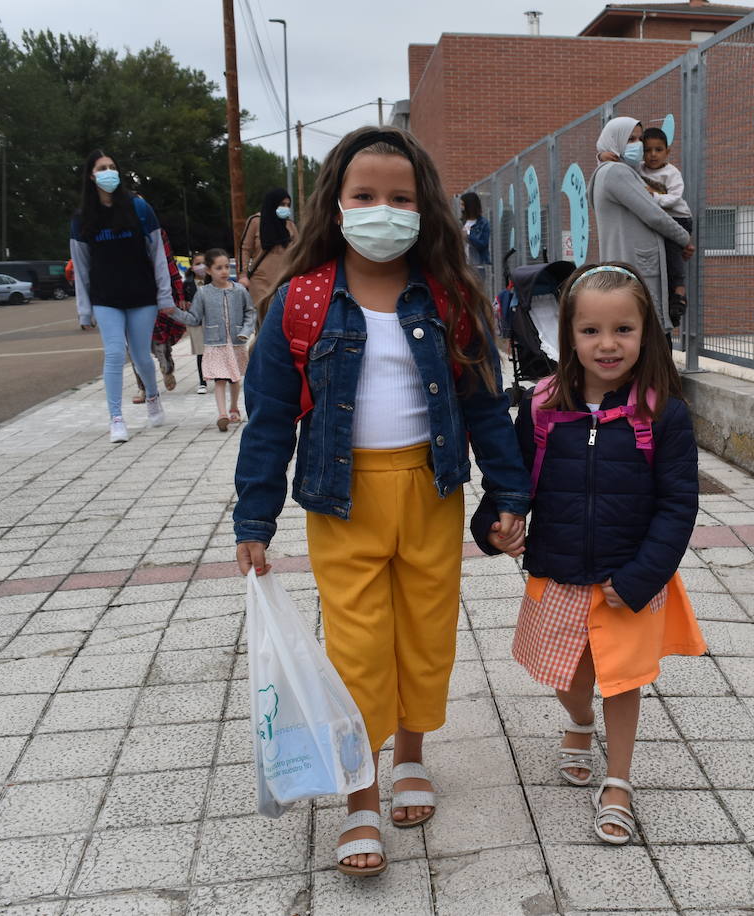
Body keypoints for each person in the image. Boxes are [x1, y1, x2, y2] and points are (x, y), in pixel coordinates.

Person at [231, 126, 530, 877]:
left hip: (431, 491)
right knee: (358, 646)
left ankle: (412, 756)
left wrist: (509, 490)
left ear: (424, 210)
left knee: (426, 633)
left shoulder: (452, 299)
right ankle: (360, 791)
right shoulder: (301, 301)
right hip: (342, 501)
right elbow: (268, 418)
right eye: (365, 196)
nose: (383, 211)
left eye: (401, 198)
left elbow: (485, 405)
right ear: (335, 206)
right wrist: (254, 517)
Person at [472, 262, 703, 846]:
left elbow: (678, 505)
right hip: (559, 570)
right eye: (591, 331)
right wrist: (493, 525)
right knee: (569, 676)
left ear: (646, 333)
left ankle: (618, 782)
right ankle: (578, 721)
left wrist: (645, 575)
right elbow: (511, 482)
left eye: (623, 329)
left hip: (629, 577)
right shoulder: (542, 407)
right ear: (568, 336)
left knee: (622, 680)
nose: (607, 345)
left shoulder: (664, 413)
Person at [69, 150, 171, 444]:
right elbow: (81, 267)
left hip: (142, 295)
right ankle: (116, 418)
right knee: (114, 353)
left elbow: (158, 254)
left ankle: (152, 396)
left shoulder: (139, 208)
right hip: (105, 297)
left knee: (141, 356)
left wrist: (165, 296)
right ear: (91, 176)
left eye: (112, 166)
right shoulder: (81, 218)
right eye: (102, 168)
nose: (108, 172)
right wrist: (84, 310)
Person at [591, 117, 693, 337]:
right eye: (630, 139)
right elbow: (655, 216)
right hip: (638, 268)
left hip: (627, 268)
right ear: (614, 141)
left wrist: (600, 156)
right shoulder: (617, 172)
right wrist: (684, 239)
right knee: (648, 332)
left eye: (639, 139)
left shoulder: (613, 171)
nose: (637, 145)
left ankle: (678, 294)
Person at [162, 248, 254, 431]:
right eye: (219, 268)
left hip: (236, 342)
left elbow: (250, 312)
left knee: (234, 379)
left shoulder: (239, 290)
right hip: (215, 344)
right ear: (209, 270)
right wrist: (174, 312)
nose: (224, 271)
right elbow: (194, 319)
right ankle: (222, 414)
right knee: (220, 379)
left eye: (226, 267)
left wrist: (245, 331)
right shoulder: (203, 293)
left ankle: (234, 407)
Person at [640, 127, 693, 327]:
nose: (653, 154)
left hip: (678, 217)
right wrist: (601, 155)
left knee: (672, 254)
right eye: (647, 150)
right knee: (659, 259)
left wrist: (652, 197)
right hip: (658, 218)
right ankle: (667, 301)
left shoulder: (671, 172)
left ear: (667, 152)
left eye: (658, 150)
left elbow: (674, 198)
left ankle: (679, 293)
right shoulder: (638, 169)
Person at [132, 228, 189, 401]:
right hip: (127, 293)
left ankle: (166, 366)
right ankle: (143, 387)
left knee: (159, 337)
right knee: (132, 343)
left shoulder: (153, 231)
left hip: (154, 290)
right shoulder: (111, 230)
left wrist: (179, 294)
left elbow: (168, 263)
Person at [240, 188, 298, 317]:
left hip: (285, 282)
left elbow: (298, 253)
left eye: (288, 205)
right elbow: (245, 249)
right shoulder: (255, 221)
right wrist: (243, 275)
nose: (285, 208)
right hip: (260, 282)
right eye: (282, 204)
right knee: (263, 320)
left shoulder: (290, 226)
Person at [183, 251, 209, 393]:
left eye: (204, 263)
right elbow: (182, 302)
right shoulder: (187, 284)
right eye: (198, 264)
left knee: (217, 349)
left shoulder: (214, 281)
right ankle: (202, 382)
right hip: (196, 321)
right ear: (192, 267)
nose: (201, 266)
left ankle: (221, 376)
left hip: (213, 320)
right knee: (201, 351)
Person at [460, 190, 491, 285]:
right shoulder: (461, 222)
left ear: (469, 205)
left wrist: (468, 237)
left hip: (477, 267)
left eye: (463, 204)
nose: (461, 207)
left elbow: (483, 244)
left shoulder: (483, 223)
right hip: (463, 266)